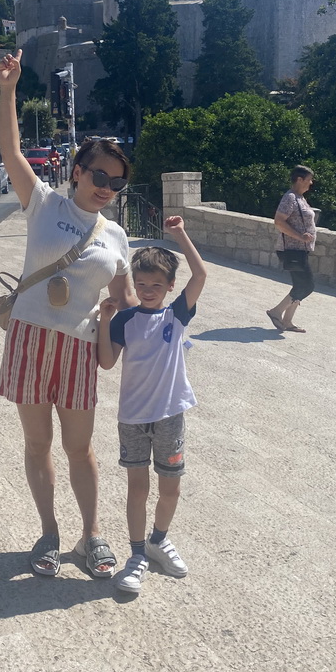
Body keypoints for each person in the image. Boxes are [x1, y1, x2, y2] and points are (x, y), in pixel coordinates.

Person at [0, 49, 136, 578]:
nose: (106, 187)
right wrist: (8, 89)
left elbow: (121, 300)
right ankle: (49, 535)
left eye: (117, 183)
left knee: (81, 448)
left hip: (79, 346)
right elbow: (11, 151)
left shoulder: (117, 236)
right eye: (99, 174)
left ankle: (92, 536)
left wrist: (116, 331)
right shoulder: (45, 205)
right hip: (31, 338)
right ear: (78, 171)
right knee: (38, 443)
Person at [97, 217, 206, 594]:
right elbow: (107, 362)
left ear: (170, 287)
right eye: (141, 284)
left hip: (170, 417)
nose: (147, 291)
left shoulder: (176, 315)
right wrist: (105, 321)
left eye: (156, 285)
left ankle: (160, 539)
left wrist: (180, 235)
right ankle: (137, 553)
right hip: (132, 418)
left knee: (171, 488)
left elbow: (201, 276)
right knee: (137, 489)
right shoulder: (125, 319)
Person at [266, 165, 317, 334]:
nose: (311, 182)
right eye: (309, 179)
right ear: (299, 179)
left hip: (300, 250)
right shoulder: (290, 198)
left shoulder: (299, 198)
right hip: (292, 250)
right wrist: (300, 237)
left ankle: (287, 321)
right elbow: (279, 222)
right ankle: (276, 312)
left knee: (299, 284)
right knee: (307, 285)